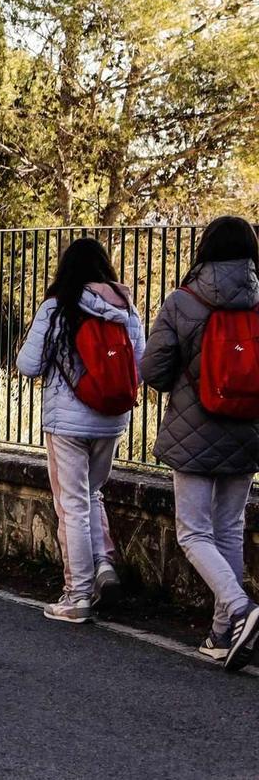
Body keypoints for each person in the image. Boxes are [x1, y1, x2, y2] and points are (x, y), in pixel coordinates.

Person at [144, 215, 259, 670]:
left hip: (195, 426)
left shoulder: (183, 301)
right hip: (249, 430)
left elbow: (153, 371)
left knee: (193, 532)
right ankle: (220, 634)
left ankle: (240, 608)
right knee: (229, 528)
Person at [13, 237, 144, 624]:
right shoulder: (125, 308)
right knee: (91, 494)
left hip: (67, 422)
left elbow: (27, 364)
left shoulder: (57, 307)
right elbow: (140, 363)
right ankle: (104, 565)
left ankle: (77, 595)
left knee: (71, 504)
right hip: (112, 419)